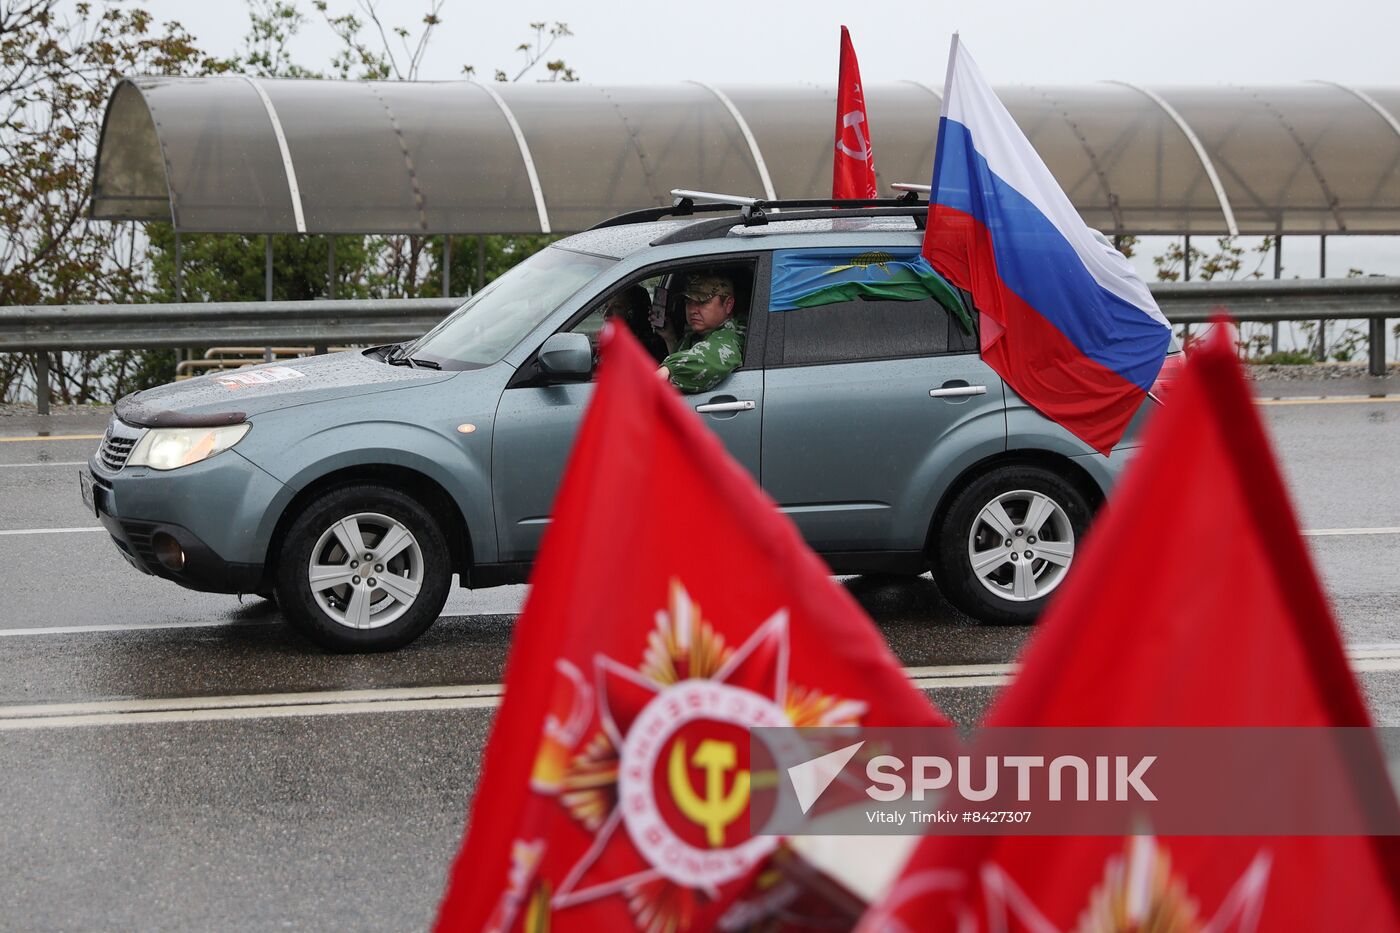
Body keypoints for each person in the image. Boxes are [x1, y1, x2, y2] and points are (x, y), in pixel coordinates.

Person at [656, 272, 746, 393]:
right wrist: (670, 338)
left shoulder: (732, 334)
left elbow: (713, 355)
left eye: (702, 302)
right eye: (688, 302)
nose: (692, 310)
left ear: (728, 304)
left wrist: (668, 370)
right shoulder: (697, 334)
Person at [603, 284, 668, 362]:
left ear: (632, 312)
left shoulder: (639, 349)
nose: (606, 314)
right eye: (606, 306)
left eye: (617, 307)